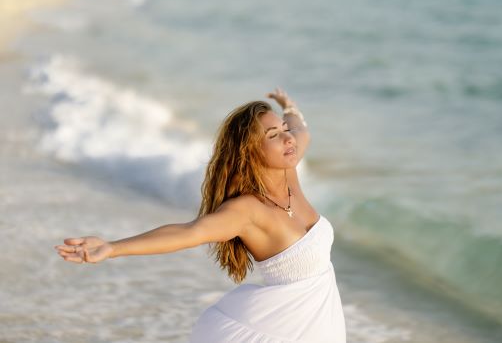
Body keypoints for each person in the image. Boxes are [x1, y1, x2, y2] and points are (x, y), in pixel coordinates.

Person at [54, 88, 347, 342]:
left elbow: (301, 130)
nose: (288, 139)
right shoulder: (247, 210)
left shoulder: (289, 172)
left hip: (322, 323)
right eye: (274, 135)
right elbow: (188, 233)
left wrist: (289, 107)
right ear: (250, 151)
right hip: (282, 328)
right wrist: (113, 248)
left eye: (284, 129)